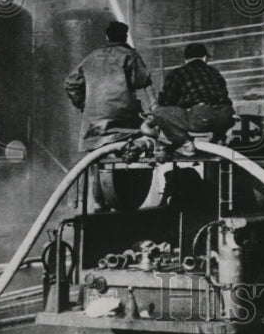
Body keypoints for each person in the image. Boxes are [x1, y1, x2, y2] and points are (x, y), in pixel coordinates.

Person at [64, 20, 155, 209]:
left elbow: (70, 83)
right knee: (144, 142)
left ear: (106, 37)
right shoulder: (130, 55)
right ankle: (128, 197)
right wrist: (154, 110)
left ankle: (98, 203)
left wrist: (83, 105)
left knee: (96, 160)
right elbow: (143, 82)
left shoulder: (91, 57)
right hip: (122, 121)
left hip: (94, 123)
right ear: (125, 36)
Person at [151, 43, 235, 156]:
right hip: (226, 116)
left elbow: (166, 102)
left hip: (202, 117)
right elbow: (223, 95)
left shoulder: (178, 73)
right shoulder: (214, 72)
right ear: (205, 58)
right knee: (216, 113)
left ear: (186, 60)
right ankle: (219, 140)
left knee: (158, 112)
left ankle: (185, 144)